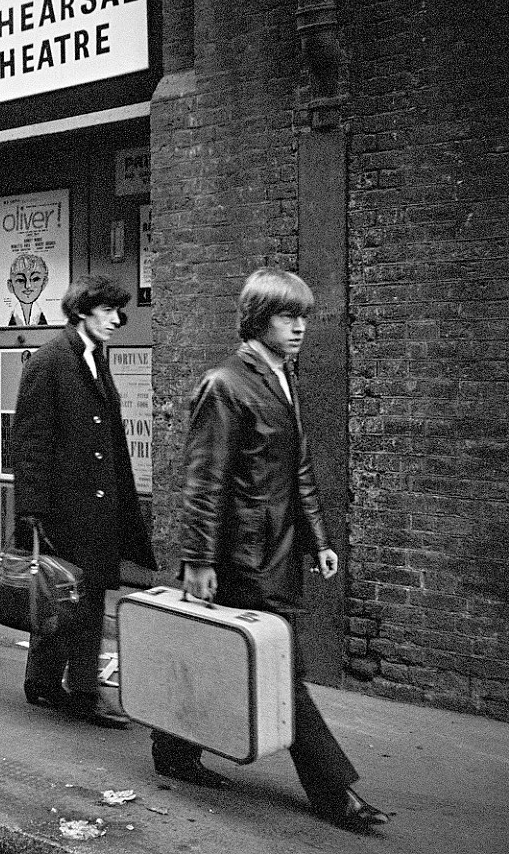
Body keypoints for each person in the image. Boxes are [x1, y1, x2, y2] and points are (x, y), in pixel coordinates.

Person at [150, 268, 388, 830]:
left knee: (223, 652)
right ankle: (334, 791)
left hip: (279, 551)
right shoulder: (226, 384)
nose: (299, 326)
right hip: (241, 555)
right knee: (281, 669)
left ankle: (174, 750)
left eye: (303, 315)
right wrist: (200, 561)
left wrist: (319, 539)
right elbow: (203, 482)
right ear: (258, 318)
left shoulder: (283, 379)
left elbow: (298, 469)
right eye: (287, 315)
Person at [10, 274, 157, 728]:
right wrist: (31, 511)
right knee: (75, 595)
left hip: (98, 506)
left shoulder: (95, 357)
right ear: (80, 312)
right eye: (107, 311)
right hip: (65, 507)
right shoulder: (50, 361)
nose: (116, 320)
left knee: (75, 596)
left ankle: (44, 681)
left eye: (119, 311)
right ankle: (82, 692)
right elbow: (30, 441)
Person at [4, 253, 51, 327]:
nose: (28, 286)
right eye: (20, 280)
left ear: (44, 283)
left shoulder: (45, 316)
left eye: (35, 279)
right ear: (10, 285)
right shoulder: (7, 317)